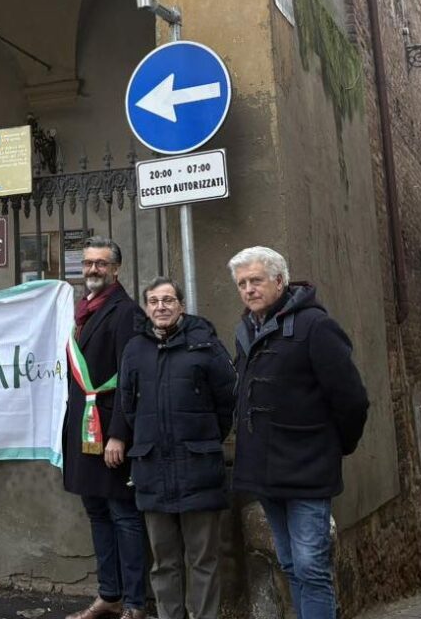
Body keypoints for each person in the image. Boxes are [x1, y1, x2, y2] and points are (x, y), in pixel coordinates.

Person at [228, 247, 369, 619]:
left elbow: (351, 399)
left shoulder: (316, 327)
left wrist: (335, 447)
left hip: (307, 470)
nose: (248, 290)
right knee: (289, 562)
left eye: (255, 280)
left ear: (279, 280)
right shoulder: (245, 330)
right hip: (264, 473)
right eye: (242, 283)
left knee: (311, 567)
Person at [119, 277, 235, 619]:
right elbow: (129, 405)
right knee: (164, 561)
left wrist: (205, 440)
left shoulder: (205, 345)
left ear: (181, 306)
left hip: (198, 467)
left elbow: (227, 400)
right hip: (152, 468)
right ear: (146, 308)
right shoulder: (135, 349)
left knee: (203, 559)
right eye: (154, 301)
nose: (161, 307)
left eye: (168, 300)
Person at [62, 236, 149, 619]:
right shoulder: (84, 310)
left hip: (109, 431)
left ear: (116, 269)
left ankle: (134, 602)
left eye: (100, 263)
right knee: (97, 512)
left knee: (124, 516)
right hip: (84, 430)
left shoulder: (126, 312)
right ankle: (108, 594)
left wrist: (119, 434)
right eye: (87, 263)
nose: (92, 270)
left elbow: (131, 380)